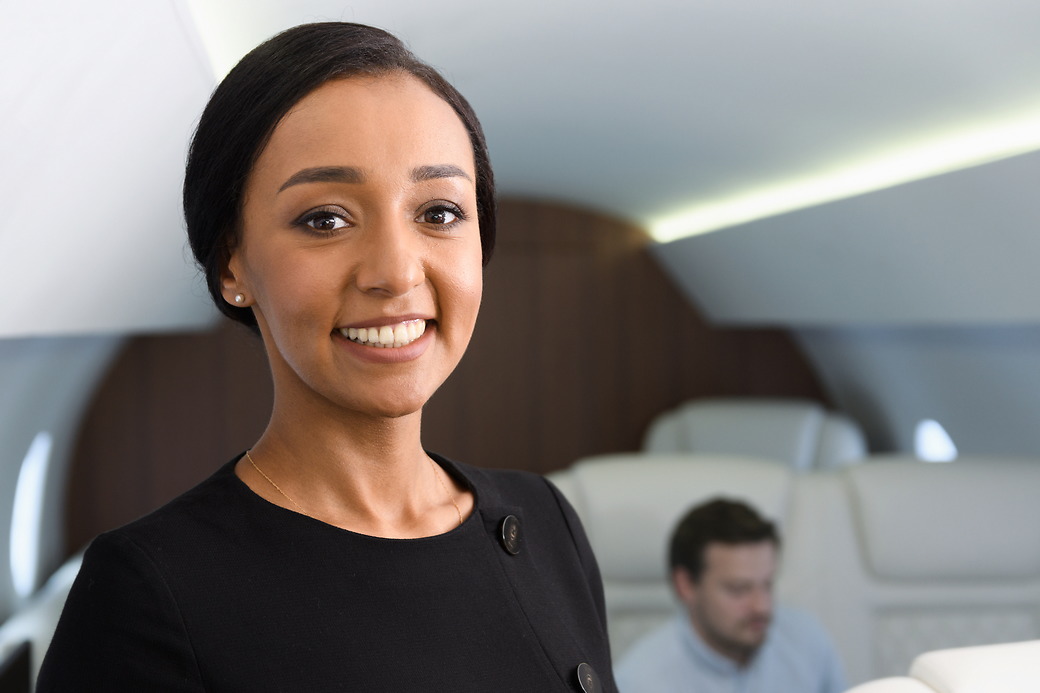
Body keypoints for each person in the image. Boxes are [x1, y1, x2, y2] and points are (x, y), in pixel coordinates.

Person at [37, 23, 615, 693]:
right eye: (325, 220)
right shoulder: (147, 592)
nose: (396, 273)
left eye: (438, 212)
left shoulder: (546, 521)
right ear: (231, 262)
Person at [614, 498, 844, 693]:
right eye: (739, 589)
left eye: (767, 585)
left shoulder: (807, 640)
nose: (761, 607)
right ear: (685, 585)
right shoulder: (638, 682)